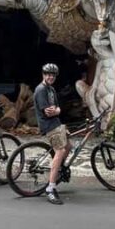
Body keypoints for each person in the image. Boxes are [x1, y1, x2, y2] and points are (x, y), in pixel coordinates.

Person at [34, 63, 70, 205]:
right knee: (60, 151)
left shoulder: (51, 89)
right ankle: (50, 188)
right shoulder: (41, 90)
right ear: (43, 75)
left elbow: (57, 107)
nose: (50, 77)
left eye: (53, 75)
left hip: (56, 123)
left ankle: (58, 169)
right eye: (48, 74)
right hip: (48, 125)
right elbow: (48, 112)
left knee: (69, 146)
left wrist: (57, 111)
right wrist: (56, 111)